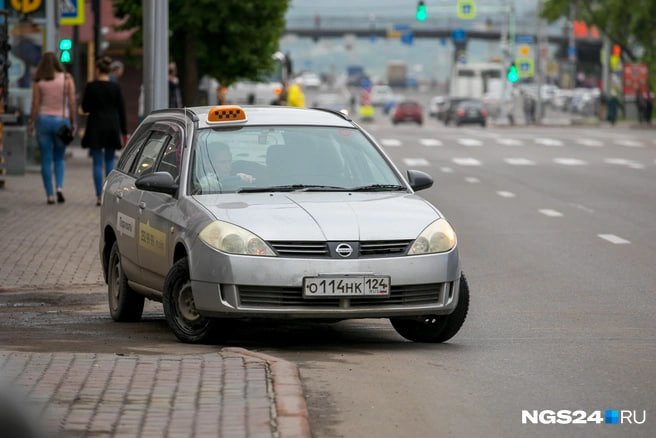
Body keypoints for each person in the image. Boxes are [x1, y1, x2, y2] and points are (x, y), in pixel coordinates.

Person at [28, 52, 77, 205]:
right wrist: (74, 122)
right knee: (59, 158)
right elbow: (72, 102)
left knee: (46, 159)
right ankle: (60, 188)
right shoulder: (67, 78)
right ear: (57, 62)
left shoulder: (38, 81)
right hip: (61, 122)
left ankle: (49, 195)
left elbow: (35, 104)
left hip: (43, 121)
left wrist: (31, 122)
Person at [81, 56, 128, 206]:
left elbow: (85, 107)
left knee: (96, 162)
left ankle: (98, 196)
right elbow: (121, 110)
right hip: (112, 125)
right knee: (109, 160)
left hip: (95, 125)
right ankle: (109, 194)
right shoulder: (115, 87)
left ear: (97, 69)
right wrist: (124, 132)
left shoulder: (91, 86)